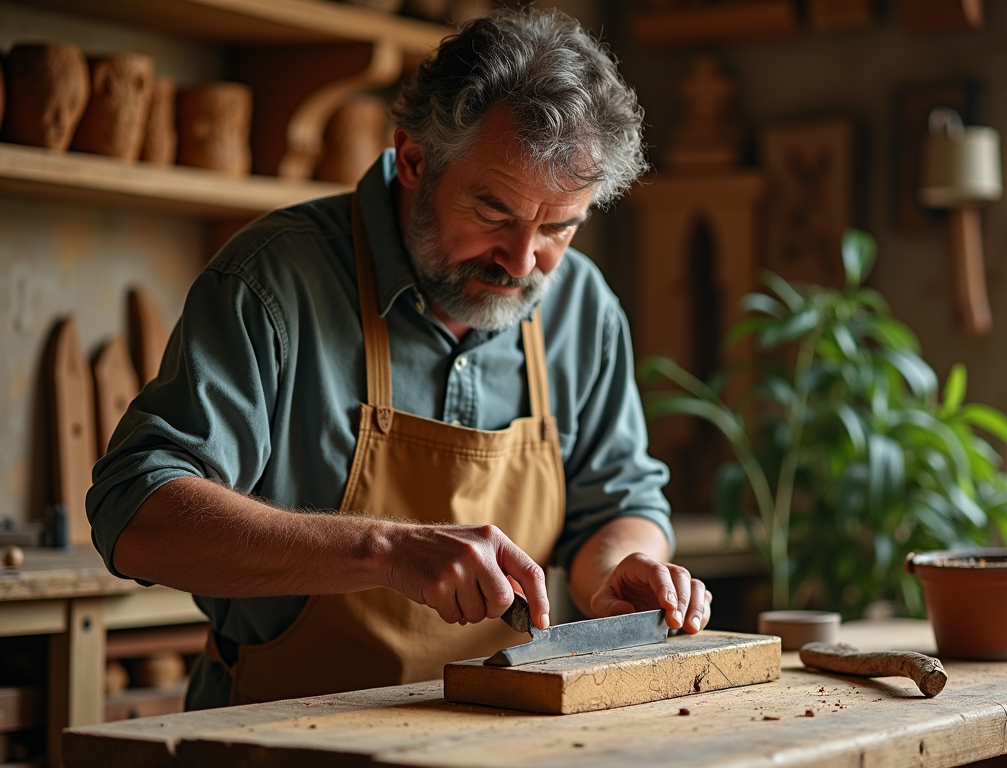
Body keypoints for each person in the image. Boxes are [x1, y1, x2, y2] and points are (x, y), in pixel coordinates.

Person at [87, 7, 712, 710]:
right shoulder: (271, 282)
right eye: (494, 213)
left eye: (559, 227)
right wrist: (383, 552)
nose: (523, 261)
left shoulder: (582, 307)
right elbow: (136, 517)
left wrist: (619, 567)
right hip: (283, 737)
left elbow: (620, 499)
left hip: (504, 737)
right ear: (413, 159)